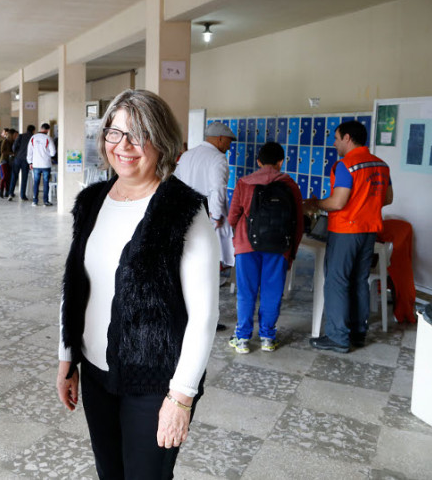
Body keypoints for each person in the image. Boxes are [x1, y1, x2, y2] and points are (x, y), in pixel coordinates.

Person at [57, 89, 219, 479]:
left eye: (139, 135)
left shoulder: (184, 210)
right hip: (96, 373)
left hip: (155, 383)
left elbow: (204, 315)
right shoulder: (91, 201)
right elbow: (75, 285)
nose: (124, 146)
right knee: (109, 473)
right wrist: (67, 359)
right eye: (115, 133)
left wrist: (181, 397)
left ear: (161, 141)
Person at [305, 120, 393, 353]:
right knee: (359, 280)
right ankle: (358, 333)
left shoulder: (346, 165)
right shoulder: (382, 165)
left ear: (347, 138)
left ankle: (337, 337)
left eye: (336, 138)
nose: (334, 143)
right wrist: (365, 204)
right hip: (369, 230)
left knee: (337, 281)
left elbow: (337, 202)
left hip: (346, 231)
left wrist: (315, 204)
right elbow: (387, 198)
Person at [226, 142, 304, 353]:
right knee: (272, 292)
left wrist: (238, 239)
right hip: (279, 247)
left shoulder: (244, 183)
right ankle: (267, 338)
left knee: (246, 292)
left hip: (246, 246)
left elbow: (232, 217)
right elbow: (298, 222)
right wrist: (292, 252)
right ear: (281, 162)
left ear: (259, 162)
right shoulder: (290, 185)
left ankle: (242, 338)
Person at [174, 121, 237, 268]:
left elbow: (176, 184)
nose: (229, 147)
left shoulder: (187, 155)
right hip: (208, 216)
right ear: (220, 138)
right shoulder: (218, 158)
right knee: (210, 258)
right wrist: (216, 216)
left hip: (186, 213)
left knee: (190, 254)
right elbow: (218, 189)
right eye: (228, 142)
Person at [27, 123, 56, 207]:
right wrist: (47, 154)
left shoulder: (33, 138)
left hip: (36, 164)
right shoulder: (48, 138)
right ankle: (45, 201)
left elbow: (29, 151)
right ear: (48, 130)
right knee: (46, 183)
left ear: (41, 128)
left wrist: (30, 162)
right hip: (46, 164)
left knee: (36, 182)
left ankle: (35, 201)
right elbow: (53, 153)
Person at [9, 124, 35, 201]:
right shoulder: (33, 137)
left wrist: (16, 153)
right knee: (24, 177)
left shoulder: (21, 136)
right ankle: (22, 195)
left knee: (14, 176)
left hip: (18, 158)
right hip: (26, 160)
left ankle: (10, 193)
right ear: (33, 130)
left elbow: (14, 146)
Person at [0, 129, 15, 199]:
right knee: (5, 176)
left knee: (8, 176)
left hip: (10, 161)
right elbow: (2, 151)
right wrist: (11, 153)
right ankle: (1, 190)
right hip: (4, 160)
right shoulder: (5, 141)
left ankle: (7, 191)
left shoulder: (13, 141)